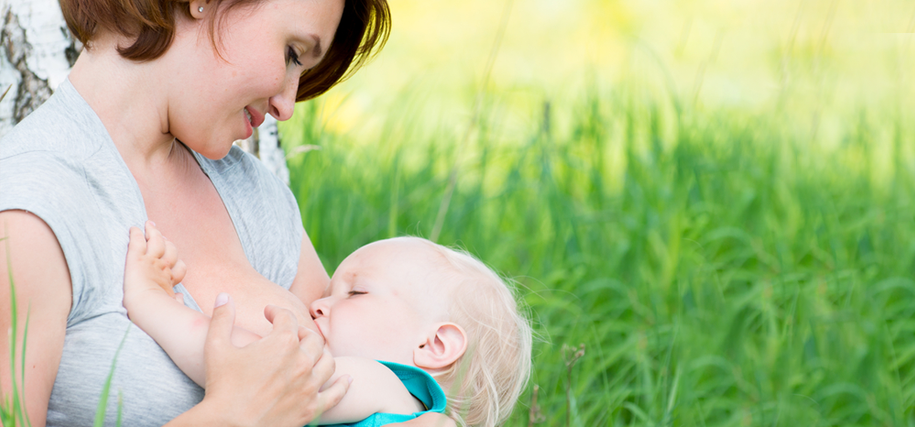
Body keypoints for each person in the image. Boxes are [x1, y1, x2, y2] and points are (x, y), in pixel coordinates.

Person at [0, 0, 450, 425]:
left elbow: (372, 381)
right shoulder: (32, 212)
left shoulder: (254, 195)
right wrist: (230, 416)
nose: (287, 106)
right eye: (293, 53)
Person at [123, 224, 533, 426]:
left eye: (355, 294)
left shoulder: (383, 384)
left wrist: (154, 303)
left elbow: (247, 366)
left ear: (435, 346)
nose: (317, 303)